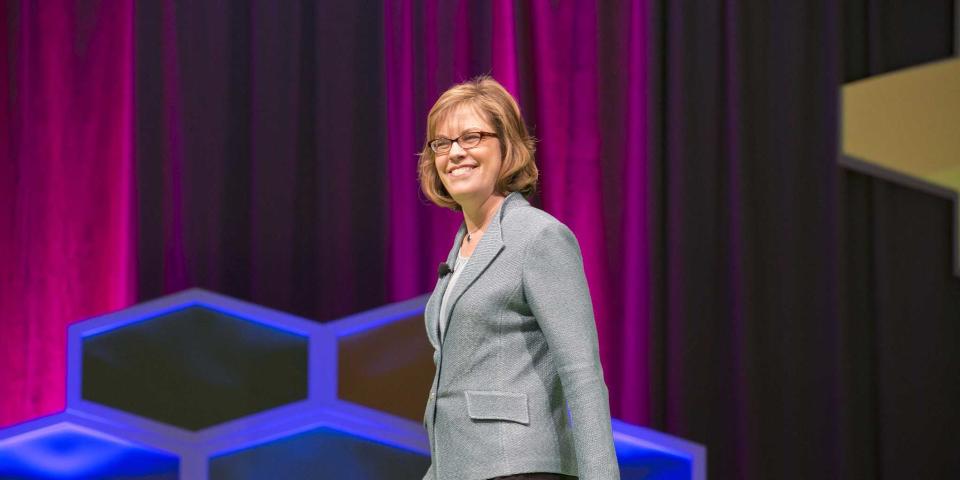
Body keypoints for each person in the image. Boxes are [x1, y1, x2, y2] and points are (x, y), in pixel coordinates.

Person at [418, 76, 620, 480]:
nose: (455, 153)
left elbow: (581, 371)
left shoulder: (538, 237)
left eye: (471, 137)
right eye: (442, 143)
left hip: (522, 466)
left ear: (506, 146)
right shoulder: (462, 250)